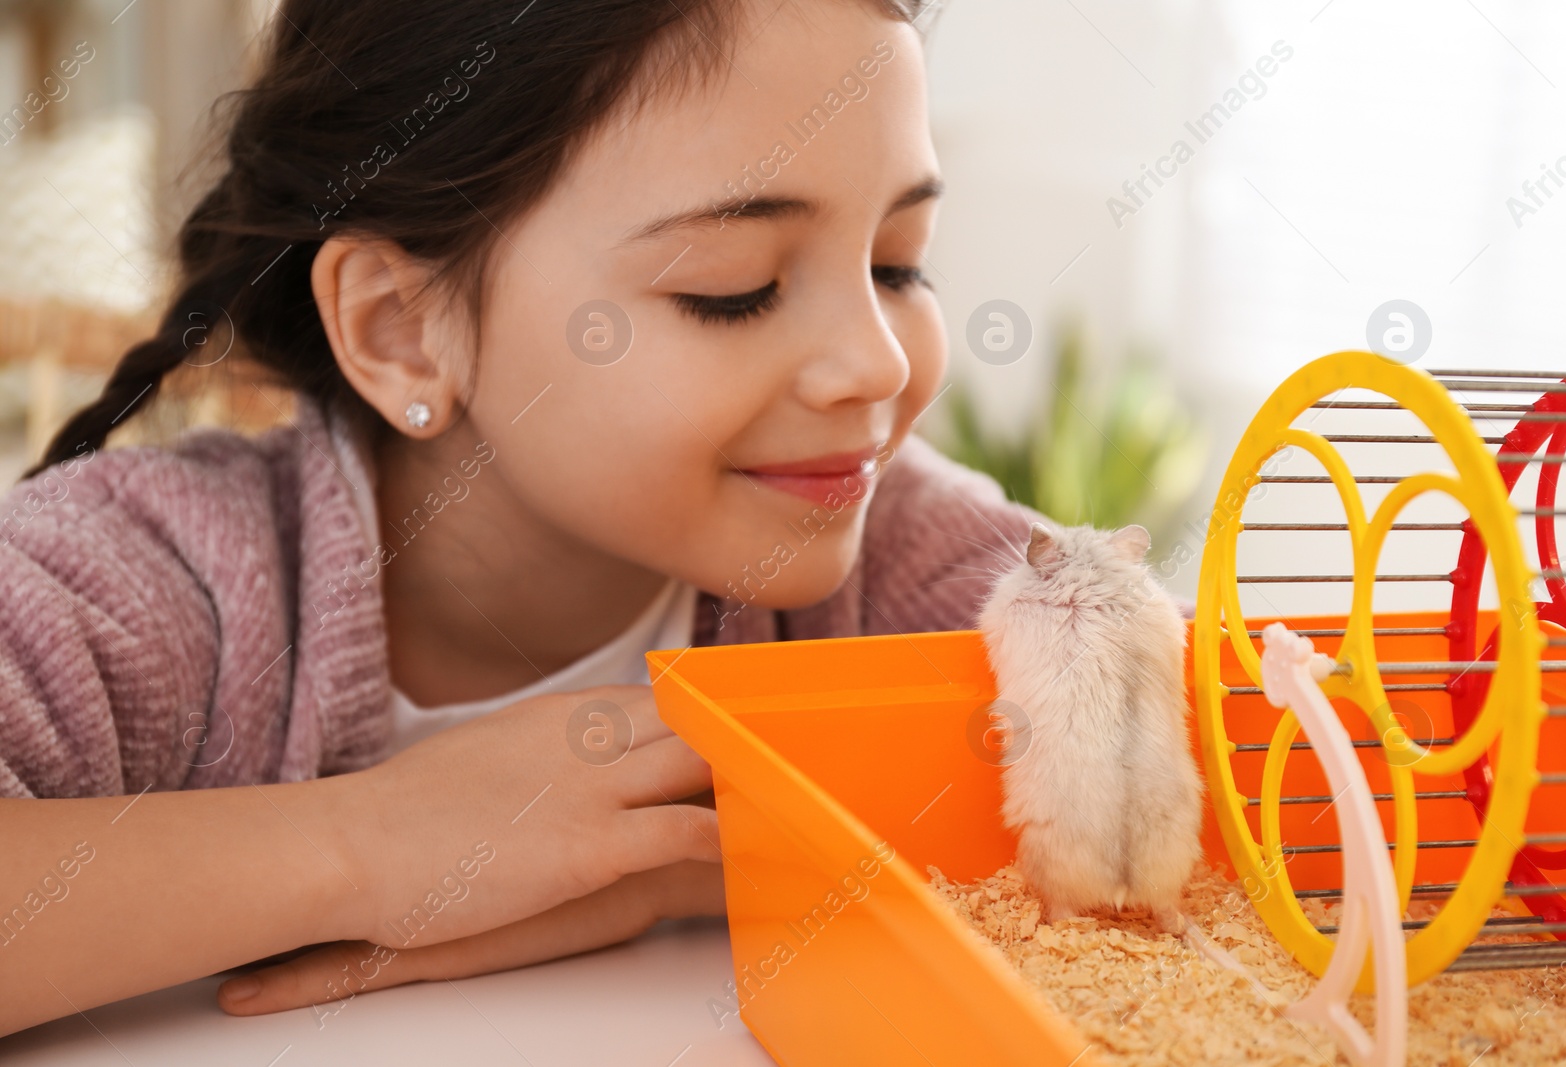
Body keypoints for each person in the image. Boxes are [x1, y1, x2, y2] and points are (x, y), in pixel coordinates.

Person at [0, 0, 1049, 1035]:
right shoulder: (155, 581)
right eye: (735, 289)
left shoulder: (895, 534)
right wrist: (371, 844)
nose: (879, 362)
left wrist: (677, 871)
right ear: (401, 330)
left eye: (896, 263)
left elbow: (1162, 748)